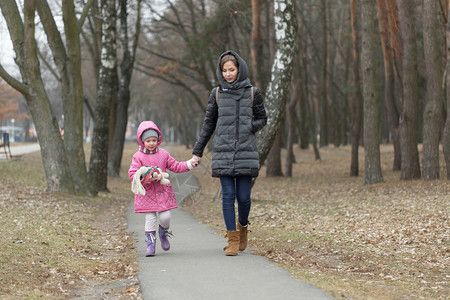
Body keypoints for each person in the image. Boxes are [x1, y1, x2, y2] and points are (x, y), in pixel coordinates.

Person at [191, 50, 267, 256]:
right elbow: (208, 124)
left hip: (245, 151)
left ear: (239, 69)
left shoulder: (253, 92)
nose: (228, 74)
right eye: (224, 70)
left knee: (243, 198)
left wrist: (249, 127)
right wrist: (197, 152)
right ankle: (232, 240)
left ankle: (243, 228)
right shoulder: (217, 94)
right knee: (228, 196)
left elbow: (263, 118)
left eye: (231, 70)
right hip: (223, 152)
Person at [129, 121, 197, 257]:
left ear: (158, 139)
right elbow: (133, 174)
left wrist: (189, 164)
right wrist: (146, 176)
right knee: (150, 218)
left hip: (162, 191)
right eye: (148, 141)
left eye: (154, 140)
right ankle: (150, 244)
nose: (151, 143)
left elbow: (176, 166)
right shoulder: (138, 156)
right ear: (142, 141)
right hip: (147, 193)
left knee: (165, 217)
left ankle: (163, 232)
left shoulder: (163, 154)